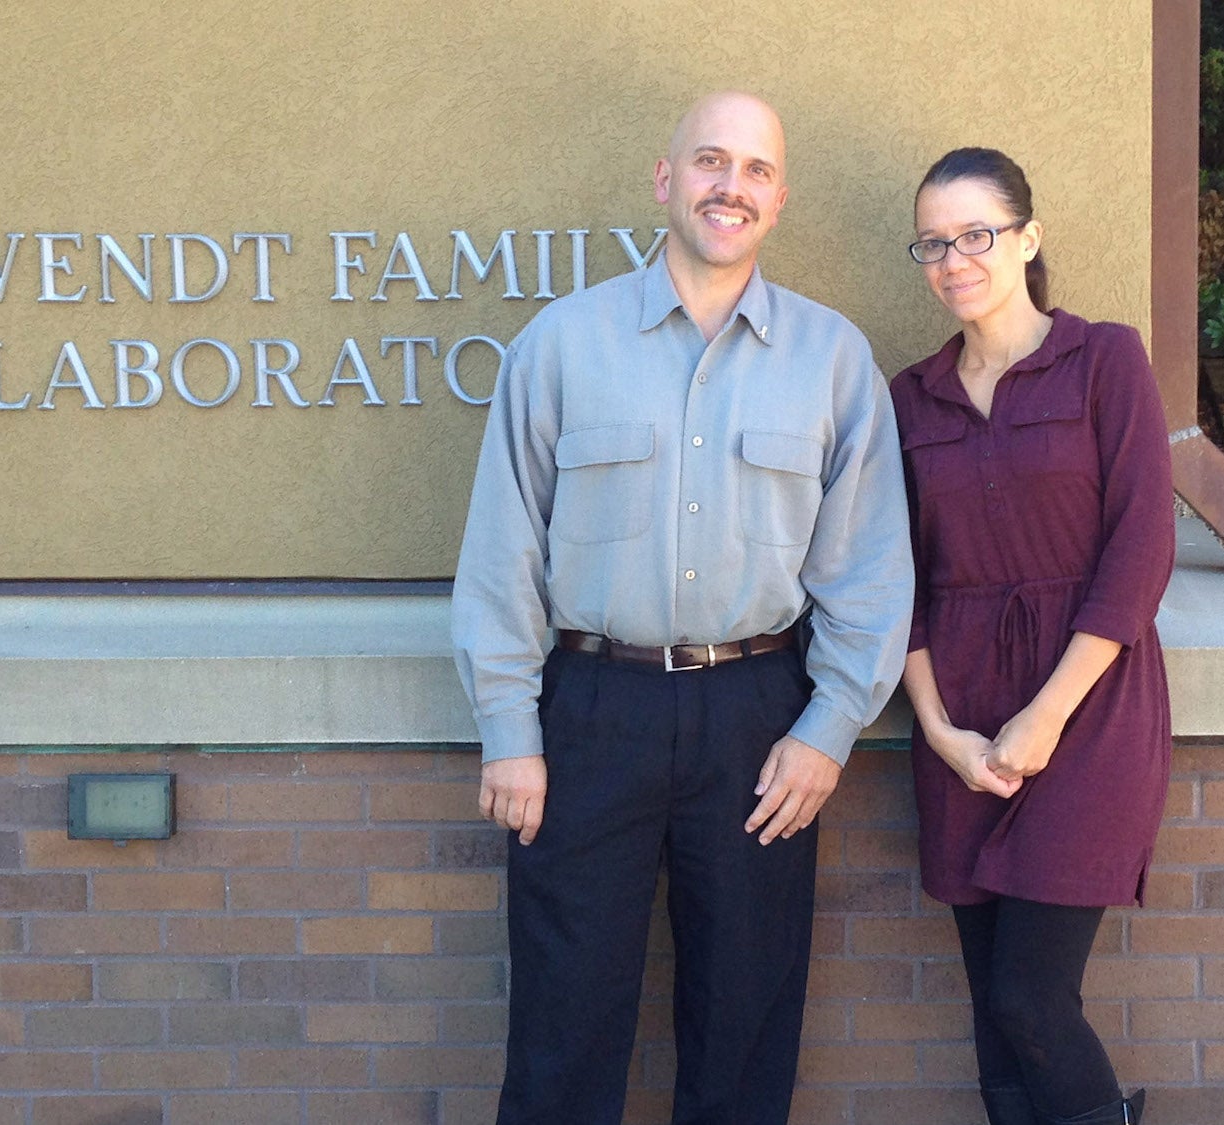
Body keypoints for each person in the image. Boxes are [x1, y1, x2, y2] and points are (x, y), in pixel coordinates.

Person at [451, 91, 912, 1125]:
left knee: (744, 1021)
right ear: (666, 181)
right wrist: (508, 730)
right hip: (588, 717)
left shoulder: (833, 362)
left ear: (779, 199)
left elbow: (870, 569)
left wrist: (829, 729)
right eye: (709, 162)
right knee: (564, 1024)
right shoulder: (561, 347)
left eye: (754, 170)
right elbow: (503, 550)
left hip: (759, 720)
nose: (729, 187)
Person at [889, 148, 1176, 1125]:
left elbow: (1140, 552)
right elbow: (902, 583)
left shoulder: (1105, 361)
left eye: (977, 234)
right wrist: (939, 731)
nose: (954, 259)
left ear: (1028, 239)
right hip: (960, 715)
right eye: (934, 241)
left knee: (1031, 998)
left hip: (1089, 707)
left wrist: (1047, 716)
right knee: (992, 1012)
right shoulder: (910, 399)